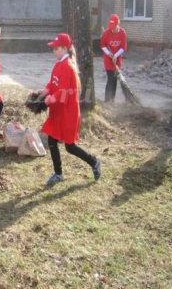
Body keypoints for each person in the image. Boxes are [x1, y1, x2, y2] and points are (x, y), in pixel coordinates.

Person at [40, 33, 101, 185]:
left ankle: (94, 161)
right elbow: (53, 83)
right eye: (53, 48)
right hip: (58, 111)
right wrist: (44, 91)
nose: (53, 51)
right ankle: (58, 173)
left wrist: (50, 99)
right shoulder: (58, 64)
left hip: (68, 113)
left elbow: (63, 92)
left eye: (56, 48)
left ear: (65, 48)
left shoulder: (67, 67)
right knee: (52, 140)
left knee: (70, 146)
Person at [100, 14, 128, 102]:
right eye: (111, 27)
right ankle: (107, 100)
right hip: (108, 60)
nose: (112, 29)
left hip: (117, 59)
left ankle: (112, 100)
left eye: (114, 27)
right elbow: (102, 45)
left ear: (118, 24)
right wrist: (109, 54)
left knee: (115, 79)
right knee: (110, 78)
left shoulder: (122, 32)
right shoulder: (106, 32)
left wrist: (115, 55)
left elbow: (123, 47)